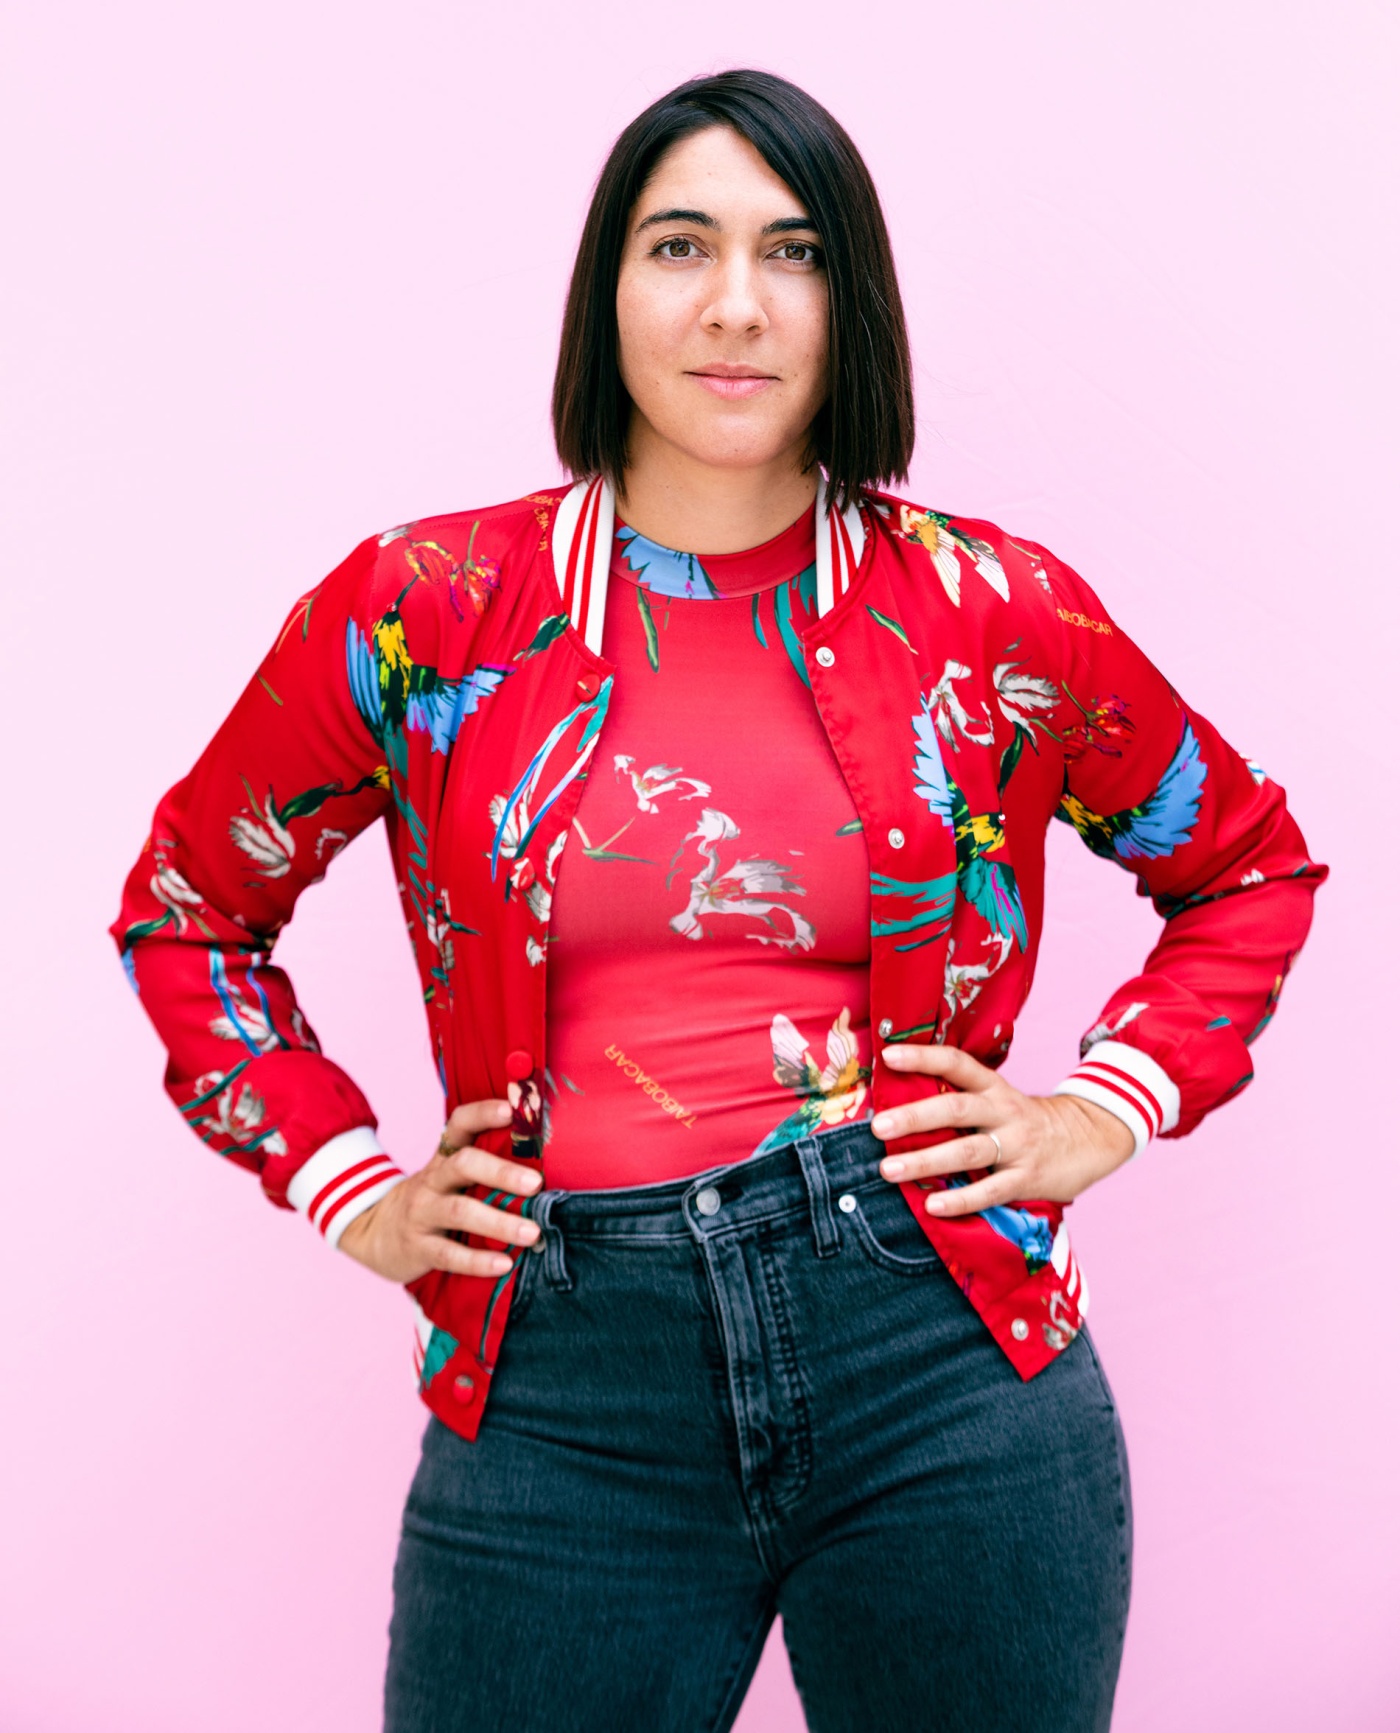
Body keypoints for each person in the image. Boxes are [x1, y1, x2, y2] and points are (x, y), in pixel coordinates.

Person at [112, 69, 1326, 1733]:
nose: (737, 304)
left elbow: (1244, 865)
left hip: (942, 1358)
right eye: (682, 245)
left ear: (855, 304)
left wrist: (1098, 1113)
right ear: (608, 287)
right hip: (556, 1384)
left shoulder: (993, 610)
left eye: (796, 250)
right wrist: (352, 1189)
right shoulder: (425, 608)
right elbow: (189, 907)